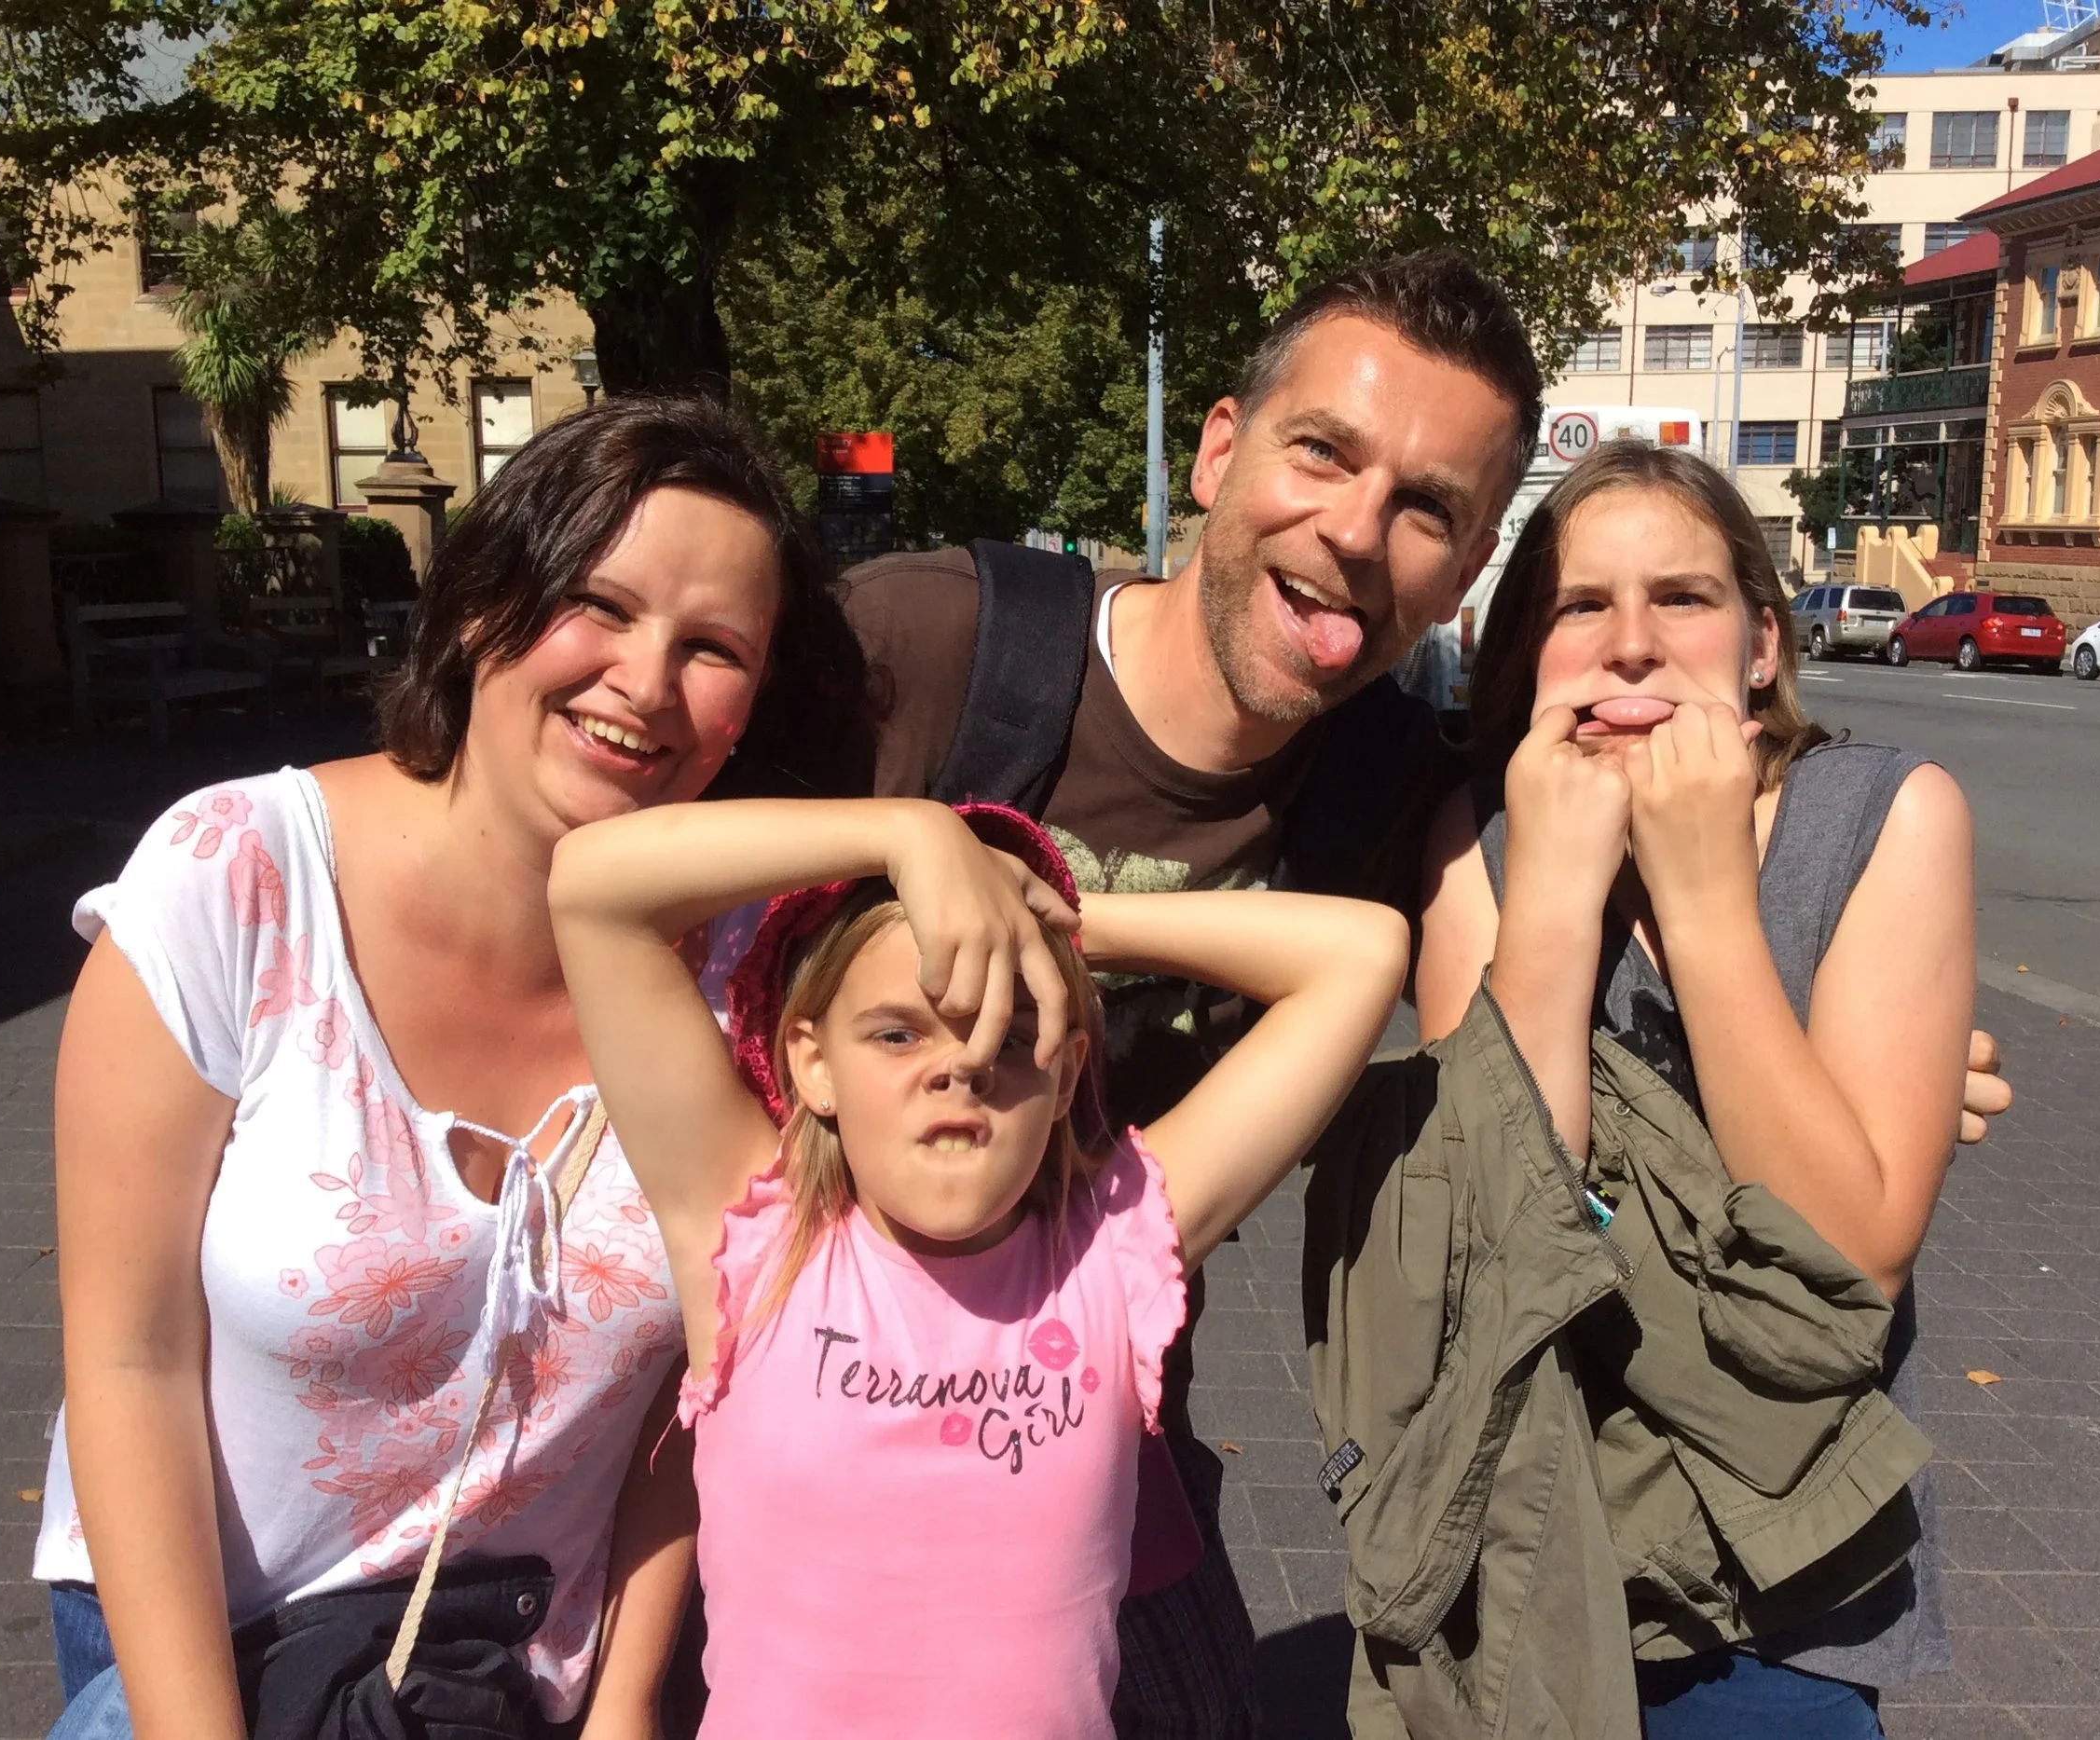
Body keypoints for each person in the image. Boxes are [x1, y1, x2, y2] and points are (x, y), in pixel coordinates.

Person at [839, 248, 2014, 1733]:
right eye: (1322, 450)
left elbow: (1787, 1222)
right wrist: (893, 835)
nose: (1352, 532)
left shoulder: (1400, 788)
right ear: (1216, 448)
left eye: (1426, 511)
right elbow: (608, 886)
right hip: (804, 1419)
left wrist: (1868, 1027)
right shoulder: (924, 646)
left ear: (1463, 580)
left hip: (1121, 1461)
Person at [36, 393, 866, 1739]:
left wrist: (630, 1701)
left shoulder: (753, 982)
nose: (647, 683)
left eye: (713, 647)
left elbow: (698, 1382)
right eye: (598, 603)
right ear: (481, 604)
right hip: (209, 1644)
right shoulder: (235, 880)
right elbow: (127, 1359)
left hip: (528, 1672)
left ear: (750, 708)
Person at [545, 794, 1407, 1734]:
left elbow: (1357, 953)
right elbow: (595, 889)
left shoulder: (1108, 1253)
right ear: (810, 1061)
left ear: (1067, 1072)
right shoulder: (759, 1243)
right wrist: (903, 834)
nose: (959, 1066)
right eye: (897, 1032)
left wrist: (1046, 917)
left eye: (1008, 1030)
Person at [1414, 443, 1972, 1734]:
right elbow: (1489, 1253)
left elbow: (1848, 1254)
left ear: (1762, 642)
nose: (1631, 643)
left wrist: (1708, 896)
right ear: (1525, 653)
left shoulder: (1880, 816)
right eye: (1579, 605)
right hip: (1532, 1573)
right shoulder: (1477, 845)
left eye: (1682, 596)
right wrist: (1551, 897)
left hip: (1790, 1595)